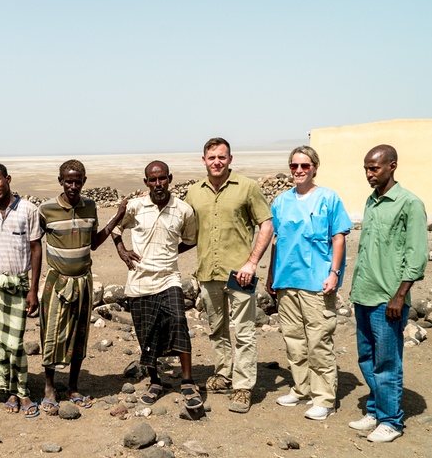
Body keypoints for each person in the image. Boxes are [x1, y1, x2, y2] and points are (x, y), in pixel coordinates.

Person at [185, 137, 273, 414]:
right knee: (216, 329)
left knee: (244, 331)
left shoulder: (247, 187)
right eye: (212, 157)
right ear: (204, 160)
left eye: (222, 157)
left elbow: (266, 225)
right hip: (208, 273)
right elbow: (182, 227)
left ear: (230, 159)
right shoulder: (194, 192)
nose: (217, 162)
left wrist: (252, 263)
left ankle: (243, 386)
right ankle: (223, 374)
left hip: (240, 274)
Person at [348, 144, 427, 443]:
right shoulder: (372, 201)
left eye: (374, 168)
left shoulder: (409, 203)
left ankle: (391, 421)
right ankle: (376, 409)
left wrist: (400, 295)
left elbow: (416, 253)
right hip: (364, 293)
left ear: (392, 166)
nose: (369, 174)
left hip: (388, 298)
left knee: (387, 361)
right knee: (366, 357)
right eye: (366, 168)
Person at [267, 146, 352, 421]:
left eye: (304, 165)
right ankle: (301, 388)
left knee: (318, 339)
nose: (299, 171)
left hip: (317, 281)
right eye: (294, 166)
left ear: (315, 167)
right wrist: (271, 275)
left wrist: (334, 273)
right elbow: (277, 241)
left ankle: (324, 398)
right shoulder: (281, 201)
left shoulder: (328, 198)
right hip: (287, 280)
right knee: (293, 339)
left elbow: (338, 237)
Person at [113, 161, 204, 413]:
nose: (157, 184)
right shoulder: (135, 206)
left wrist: (170, 252)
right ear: (146, 182)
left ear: (169, 178)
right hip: (139, 280)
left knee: (178, 320)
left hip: (168, 277)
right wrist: (122, 251)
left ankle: (187, 381)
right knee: (146, 332)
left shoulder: (183, 209)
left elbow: (191, 239)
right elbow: (115, 227)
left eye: (162, 178)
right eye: (152, 180)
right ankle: (154, 382)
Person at [39, 159, 126, 414]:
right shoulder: (46, 210)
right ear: (60, 181)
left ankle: (73, 387)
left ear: (84, 182)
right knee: (52, 335)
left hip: (83, 282)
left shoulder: (90, 206)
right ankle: (49, 387)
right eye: (69, 181)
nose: (73, 186)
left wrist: (117, 217)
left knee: (79, 334)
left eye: (78, 181)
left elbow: (94, 243)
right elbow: (34, 244)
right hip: (58, 283)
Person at [0, 163, 43, 418]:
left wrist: (33, 290)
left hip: (18, 284)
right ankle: (8, 389)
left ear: (7, 179)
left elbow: (36, 249)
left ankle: (23, 390)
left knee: (16, 342)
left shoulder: (28, 210)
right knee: (0, 342)